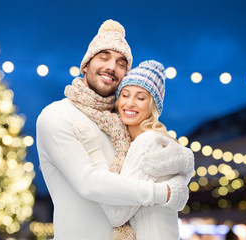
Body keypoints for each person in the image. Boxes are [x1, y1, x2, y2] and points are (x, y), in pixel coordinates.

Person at [36, 19, 193, 239]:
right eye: (103, 57)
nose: (112, 66)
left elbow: (154, 163)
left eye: (121, 63)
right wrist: (166, 193)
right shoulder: (57, 115)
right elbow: (89, 183)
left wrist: (182, 166)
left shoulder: (122, 123)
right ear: (85, 65)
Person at [69, 60, 194, 239]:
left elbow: (117, 214)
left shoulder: (147, 142)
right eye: (125, 95)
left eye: (141, 97)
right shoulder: (151, 141)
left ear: (153, 106)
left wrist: (94, 150)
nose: (130, 103)